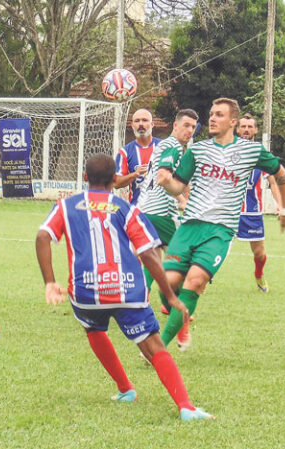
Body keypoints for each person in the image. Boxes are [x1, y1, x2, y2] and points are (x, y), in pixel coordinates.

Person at [35, 154, 213, 421]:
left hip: (86, 294)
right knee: (153, 346)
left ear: (85, 178)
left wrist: (50, 281)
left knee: (93, 328)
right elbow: (150, 255)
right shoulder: (127, 209)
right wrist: (169, 295)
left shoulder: (64, 206)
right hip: (127, 291)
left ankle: (125, 389)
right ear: (115, 180)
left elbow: (42, 237)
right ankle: (186, 407)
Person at [157, 98, 285, 350]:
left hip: (220, 231)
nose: (212, 118)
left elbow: (280, 173)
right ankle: (182, 322)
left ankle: (157, 350)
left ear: (233, 121)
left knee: (195, 281)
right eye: (211, 113)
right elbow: (178, 186)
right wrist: (166, 181)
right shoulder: (198, 150)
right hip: (190, 225)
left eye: (219, 115)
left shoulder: (251, 151)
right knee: (167, 284)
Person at [135, 109, 198, 350]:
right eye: (186, 125)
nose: (190, 131)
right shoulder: (173, 146)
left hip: (145, 210)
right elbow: (162, 177)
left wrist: (184, 197)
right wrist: (182, 199)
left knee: (155, 262)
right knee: (182, 266)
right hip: (162, 215)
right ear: (175, 125)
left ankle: (143, 300)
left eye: (193, 127)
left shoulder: (167, 146)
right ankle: (180, 326)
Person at [235, 114, 285, 293]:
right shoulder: (229, 150)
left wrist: (280, 205)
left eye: (250, 127)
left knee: (259, 253)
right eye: (243, 126)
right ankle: (202, 280)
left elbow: (273, 182)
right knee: (213, 247)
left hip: (252, 213)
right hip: (229, 211)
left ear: (256, 130)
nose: (246, 130)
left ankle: (259, 274)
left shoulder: (262, 154)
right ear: (237, 129)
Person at [114, 109, 162, 204]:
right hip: (137, 209)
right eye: (137, 121)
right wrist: (135, 174)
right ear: (132, 126)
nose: (141, 124)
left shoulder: (164, 147)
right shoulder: (125, 152)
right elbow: (116, 183)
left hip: (162, 210)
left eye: (144, 120)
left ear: (152, 124)